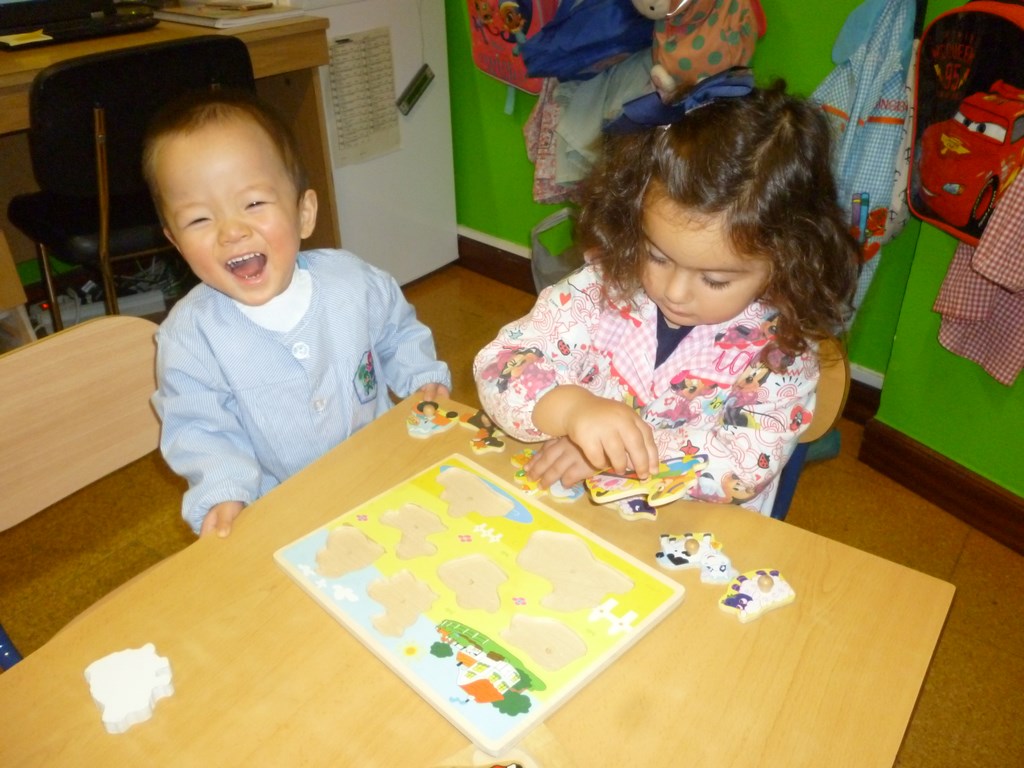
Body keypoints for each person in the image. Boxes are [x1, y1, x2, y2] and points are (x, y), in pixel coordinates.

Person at [473, 78, 859, 515]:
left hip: (694, 531)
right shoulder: (598, 287)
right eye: (656, 256)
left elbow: (745, 463)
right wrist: (571, 409)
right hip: (577, 511)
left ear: (787, 259)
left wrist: (613, 454)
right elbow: (501, 364)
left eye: (714, 280)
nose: (674, 292)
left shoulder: (782, 351)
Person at [142, 90, 451, 537]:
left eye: (253, 203)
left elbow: (398, 332)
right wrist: (225, 492)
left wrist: (421, 375)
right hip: (281, 510)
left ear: (304, 213)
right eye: (199, 220)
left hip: (382, 473)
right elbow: (201, 428)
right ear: (175, 241)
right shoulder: (190, 337)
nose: (231, 231)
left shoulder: (353, 282)